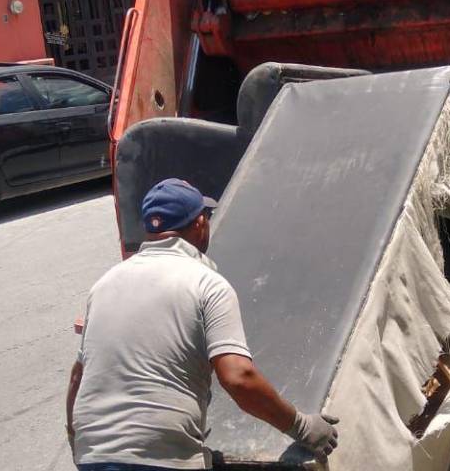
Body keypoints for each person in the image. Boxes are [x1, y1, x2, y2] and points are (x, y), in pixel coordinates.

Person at [65, 178, 339, 470]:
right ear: (199, 223)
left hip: (92, 455)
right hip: (160, 459)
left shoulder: (104, 284)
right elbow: (239, 378)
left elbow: (77, 378)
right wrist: (302, 426)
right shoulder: (206, 284)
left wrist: (76, 438)